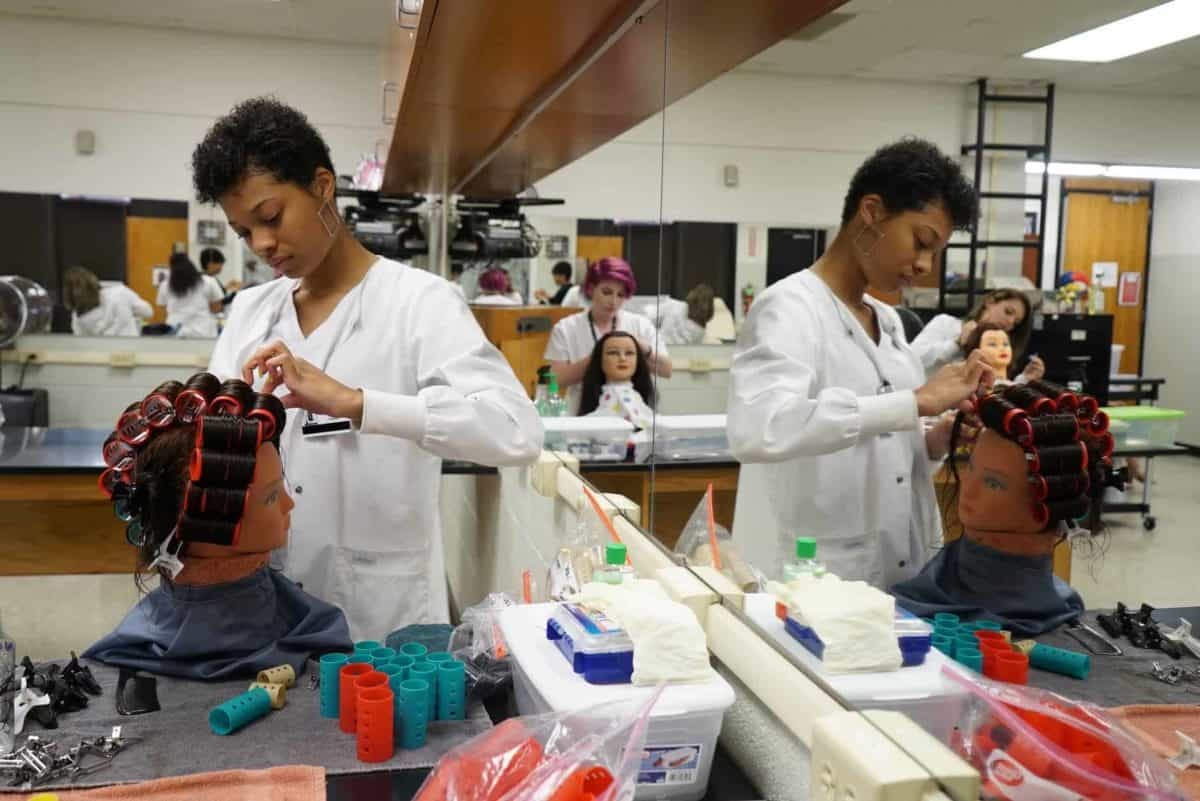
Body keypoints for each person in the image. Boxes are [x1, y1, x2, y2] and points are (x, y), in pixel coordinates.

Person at [194, 97, 542, 637]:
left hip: (382, 617)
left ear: (322, 186)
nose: (262, 243)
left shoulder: (421, 302)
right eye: (243, 232)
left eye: (270, 217)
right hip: (265, 606)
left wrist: (358, 404)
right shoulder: (250, 313)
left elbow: (517, 433)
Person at [727, 138, 994, 588]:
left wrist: (934, 439)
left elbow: (883, 448)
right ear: (871, 211)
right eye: (921, 241)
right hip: (812, 577)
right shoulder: (789, 307)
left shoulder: (887, 322)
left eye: (936, 252)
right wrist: (915, 402)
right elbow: (760, 428)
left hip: (898, 564)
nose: (925, 265)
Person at [85, 375, 353, 678]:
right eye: (272, 496)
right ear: (205, 522)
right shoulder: (121, 659)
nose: (289, 505)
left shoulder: (319, 630)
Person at [891, 382, 1113, 634]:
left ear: (1046, 505)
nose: (969, 490)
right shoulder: (923, 592)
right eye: (971, 468)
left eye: (993, 483)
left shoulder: (1051, 610)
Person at [545, 257, 672, 416]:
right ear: (591, 289)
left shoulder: (640, 325)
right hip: (583, 415)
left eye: (620, 295)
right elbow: (557, 380)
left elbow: (667, 370)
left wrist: (643, 350)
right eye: (606, 292)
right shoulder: (566, 329)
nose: (613, 301)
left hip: (635, 414)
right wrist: (600, 356)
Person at [911, 288, 1045, 382]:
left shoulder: (996, 348)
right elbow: (913, 359)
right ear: (990, 302)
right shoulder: (946, 323)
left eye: (1015, 323)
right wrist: (956, 343)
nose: (1010, 322)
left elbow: (994, 390)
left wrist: (1024, 379)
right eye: (1008, 312)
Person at [578, 331, 656, 430]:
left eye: (629, 353)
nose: (622, 358)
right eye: (613, 353)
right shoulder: (603, 404)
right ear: (600, 360)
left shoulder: (637, 398)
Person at [62, 266, 151, 337]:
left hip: (100, 355)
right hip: (132, 352)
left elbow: (81, 342)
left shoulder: (77, 316)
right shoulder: (120, 292)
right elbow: (148, 312)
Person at [157, 253, 223, 337]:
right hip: (203, 331)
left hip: (175, 331)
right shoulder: (208, 281)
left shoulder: (165, 285)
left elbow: (163, 310)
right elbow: (217, 308)